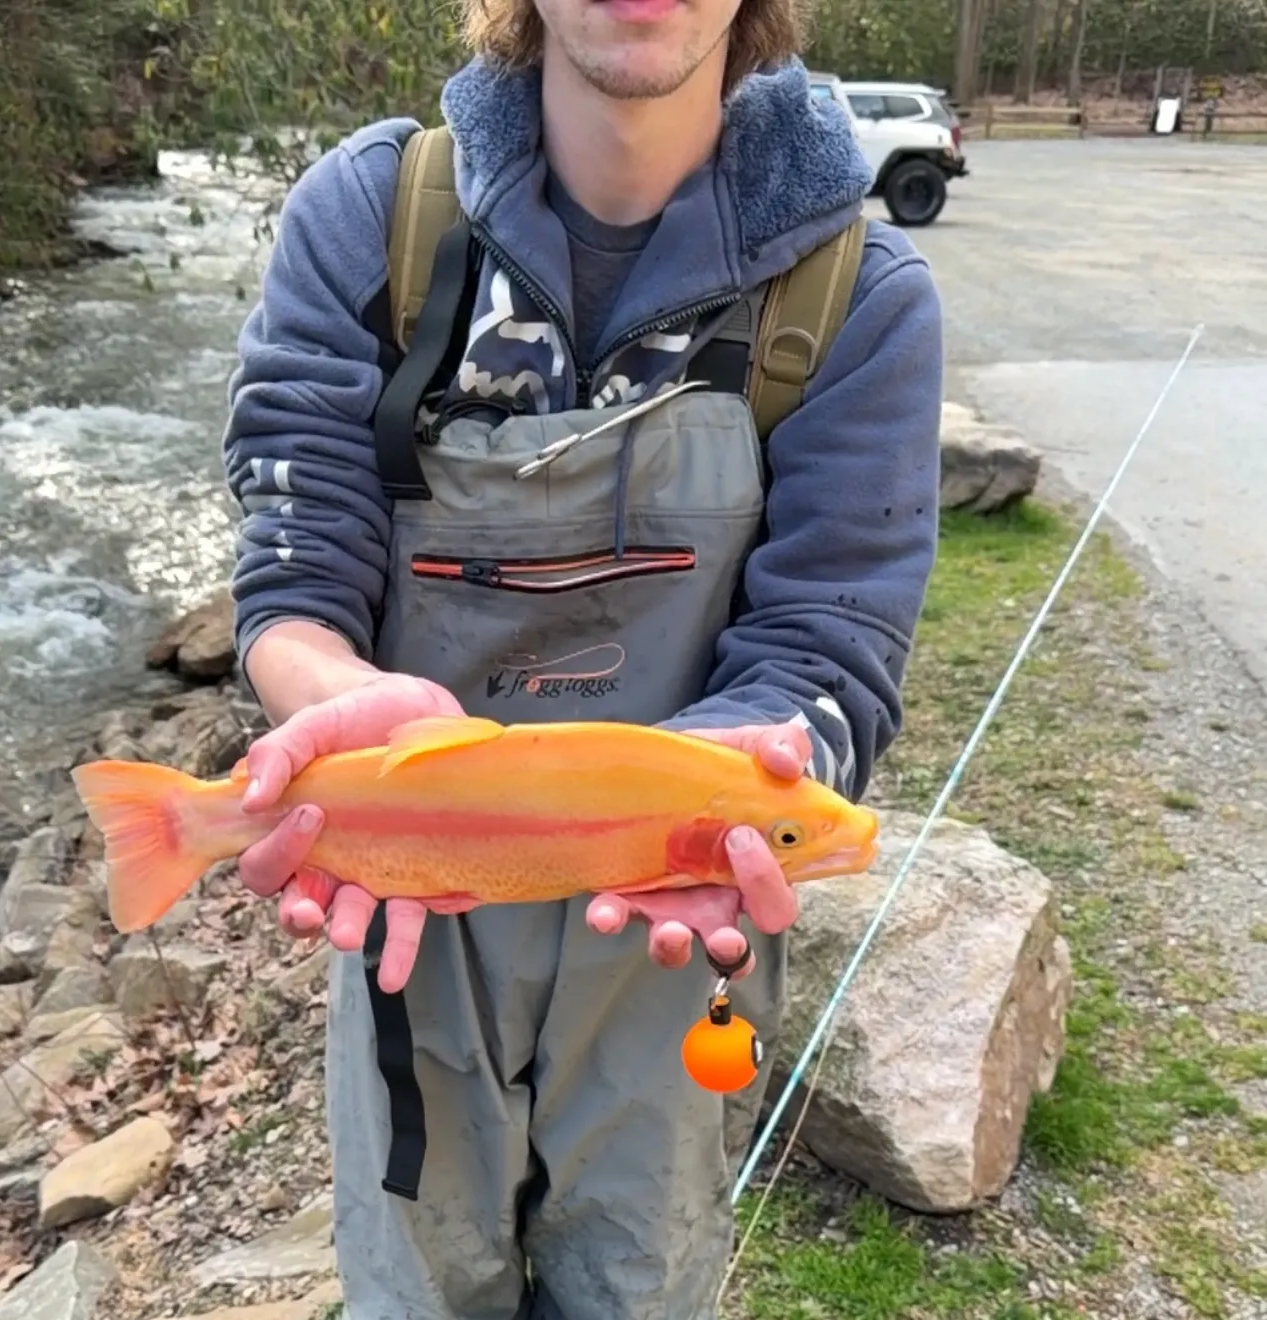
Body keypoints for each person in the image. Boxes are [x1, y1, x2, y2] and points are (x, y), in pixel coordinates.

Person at [219, 0, 943, 1311]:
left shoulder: (859, 301)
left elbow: (830, 644)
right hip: (412, 906)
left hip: (677, 943)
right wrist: (325, 700)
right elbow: (296, 567)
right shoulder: (372, 222)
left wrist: (762, 769)